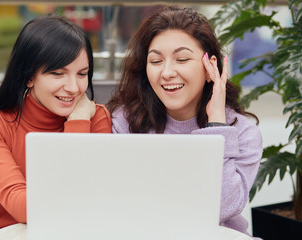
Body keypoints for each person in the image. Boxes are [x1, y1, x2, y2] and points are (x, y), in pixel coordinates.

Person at [107, 6, 262, 237]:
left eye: (181, 59)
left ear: (209, 66)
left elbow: (222, 208)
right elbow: (120, 206)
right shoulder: (125, 122)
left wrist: (217, 125)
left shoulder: (242, 132)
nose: (167, 72)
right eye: (156, 61)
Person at [0, 15, 111, 240]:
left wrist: (80, 122)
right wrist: (76, 126)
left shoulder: (96, 118)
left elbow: (95, 202)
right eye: (57, 74)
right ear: (29, 77)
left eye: (82, 74)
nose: (73, 88)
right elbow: (22, 208)